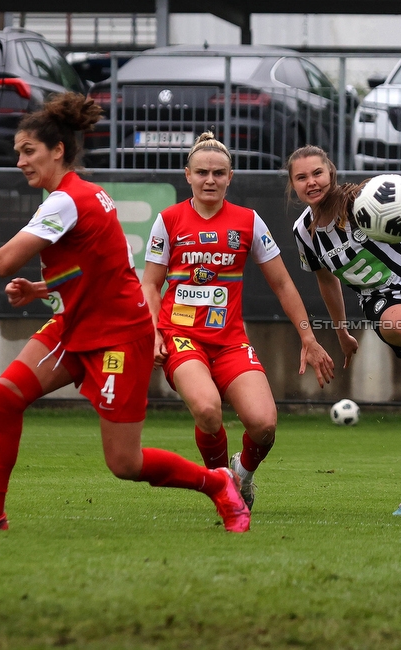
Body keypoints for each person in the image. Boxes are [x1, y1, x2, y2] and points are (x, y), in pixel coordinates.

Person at [0, 92, 250, 534]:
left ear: (58, 150)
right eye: (17, 151)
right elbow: (96, 269)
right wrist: (42, 289)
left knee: (125, 463)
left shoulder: (66, 200)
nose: (19, 161)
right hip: (76, 326)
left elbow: (2, 261)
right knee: (7, 393)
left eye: (28, 151)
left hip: (118, 335)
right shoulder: (80, 195)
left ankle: (217, 484)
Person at [141, 132, 334, 510]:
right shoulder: (169, 220)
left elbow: (282, 283)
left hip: (230, 341)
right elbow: (149, 284)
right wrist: (151, 333)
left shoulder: (248, 222)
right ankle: (222, 493)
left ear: (231, 177)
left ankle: (239, 476)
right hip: (181, 337)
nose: (209, 180)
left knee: (264, 425)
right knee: (208, 409)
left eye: (218, 173)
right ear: (188, 176)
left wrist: (308, 338)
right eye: (202, 173)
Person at [286, 145, 401, 516]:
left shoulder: (360, 200)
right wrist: (341, 333)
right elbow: (327, 283)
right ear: (293, 184)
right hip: (381, 303)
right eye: (301, 177)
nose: (311, 182)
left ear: (330, 172)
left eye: (317, 173)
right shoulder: (304, 233)